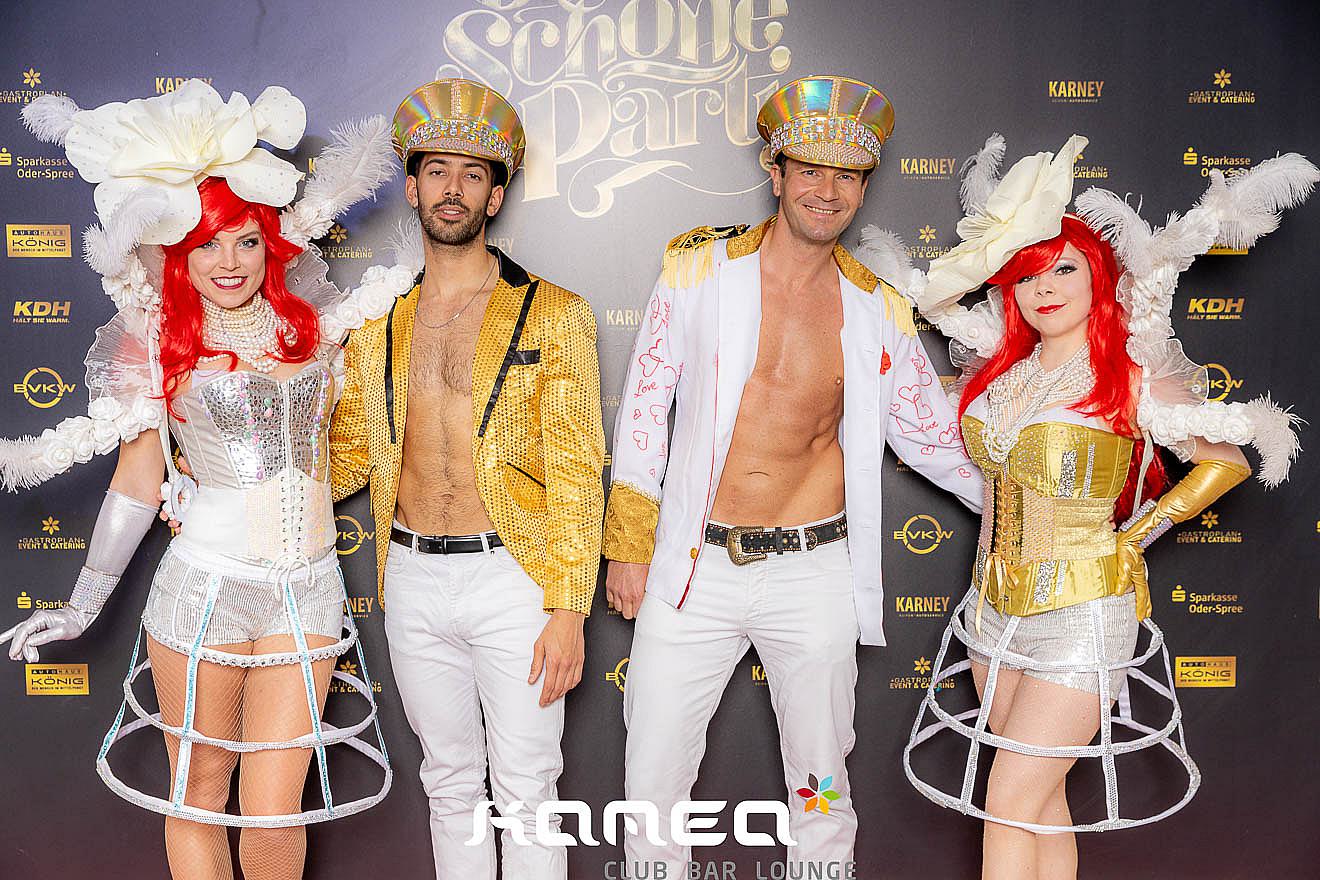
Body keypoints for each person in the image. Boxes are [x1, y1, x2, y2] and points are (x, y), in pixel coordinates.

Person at [0, 80, 397, 880]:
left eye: (245, 241)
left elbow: (340, 449)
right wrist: (80, 607)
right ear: (177, 251)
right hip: (207, 588)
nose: (228, 262)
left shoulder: (313, 328)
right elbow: (136, 481)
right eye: (208, 244)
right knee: (203, 789)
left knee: (277, 807)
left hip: (309, 588)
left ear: (270, 244)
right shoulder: (154, 342)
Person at [896, 135, 1315, 879]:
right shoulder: (1000, 376)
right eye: (1028, 273)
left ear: (1097, 276)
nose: (1045, 287)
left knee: (1007, 801)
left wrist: (1135, 536)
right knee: (1042, 800)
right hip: (991, 610)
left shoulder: (1130, 373)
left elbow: (1227, 462)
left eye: (1064, 268)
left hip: (1083, 612)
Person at [602, 75, 982, 876]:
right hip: (693, 566)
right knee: (653, 781)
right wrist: (629, 540)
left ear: (865, 188)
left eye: (846, 176)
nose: (826, 191)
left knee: (820, 783)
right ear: (775, 174)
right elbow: (645, 404)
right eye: (809, 170)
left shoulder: (878, 309)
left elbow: (932, 439)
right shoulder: (698, 272)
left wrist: (1037, 511)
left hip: (813, 570)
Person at [329, 78, 605, 880]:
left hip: (513, 578)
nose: (453, 188)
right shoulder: (374, 321)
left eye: (473, 174)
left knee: (528, 790)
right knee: (449, 785)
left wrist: (568, 608)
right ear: (412, 188)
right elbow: (346, 456)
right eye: (438, 171)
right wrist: (231, 476)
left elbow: (577, 471)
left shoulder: (553, 312)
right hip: (411, 577)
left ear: (496, 196)